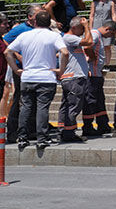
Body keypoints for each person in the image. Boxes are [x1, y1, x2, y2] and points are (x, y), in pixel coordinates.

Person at [4, 11, 69, 150]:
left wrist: (16, 69)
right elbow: (65, 52)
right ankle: (41, 137)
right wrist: (61, 70)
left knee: (26, 107)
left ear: (35, 22)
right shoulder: (54, 36)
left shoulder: (24, 35)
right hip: (46, 77)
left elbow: (7, 52)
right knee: (42, 108)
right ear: (49, 23)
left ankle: (22, 136)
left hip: (28, 76)